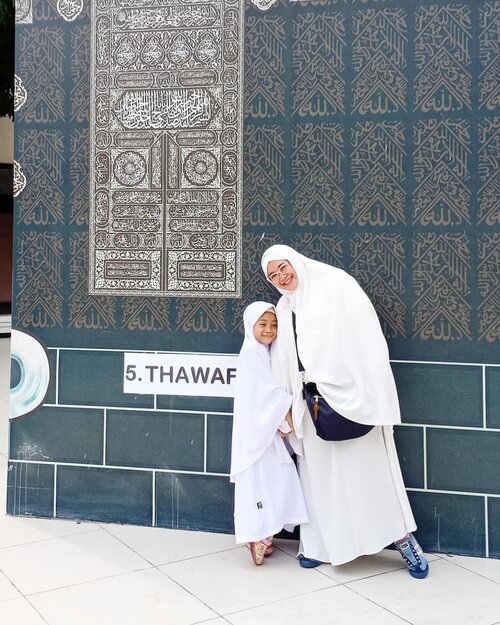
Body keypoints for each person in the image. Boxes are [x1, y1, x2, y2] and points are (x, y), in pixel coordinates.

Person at [261, 245, 429, 579]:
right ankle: (321, 547)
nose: (282, 277)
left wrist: (363, 390)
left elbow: (366, 342)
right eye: (273, 275)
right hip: (311, 405)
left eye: (284, 267)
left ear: (296, 261)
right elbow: (281, 362)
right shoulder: (283, 307)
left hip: (353, 401)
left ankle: (404, 543)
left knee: (371, 477)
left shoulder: (337, 286)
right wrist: (286, 412)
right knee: (319, 482)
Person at [230, 301, 308, 565]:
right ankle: (260, 538)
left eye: (274, 325)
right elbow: (265, 393)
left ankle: (263, 537)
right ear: (250, 326)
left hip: (264, 430)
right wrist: (287, 418)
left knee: (272, 482)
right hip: (260, 435)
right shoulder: (252, 353)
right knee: (266, 482)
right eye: (262, 324)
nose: (269, 330)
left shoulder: (262, 352)